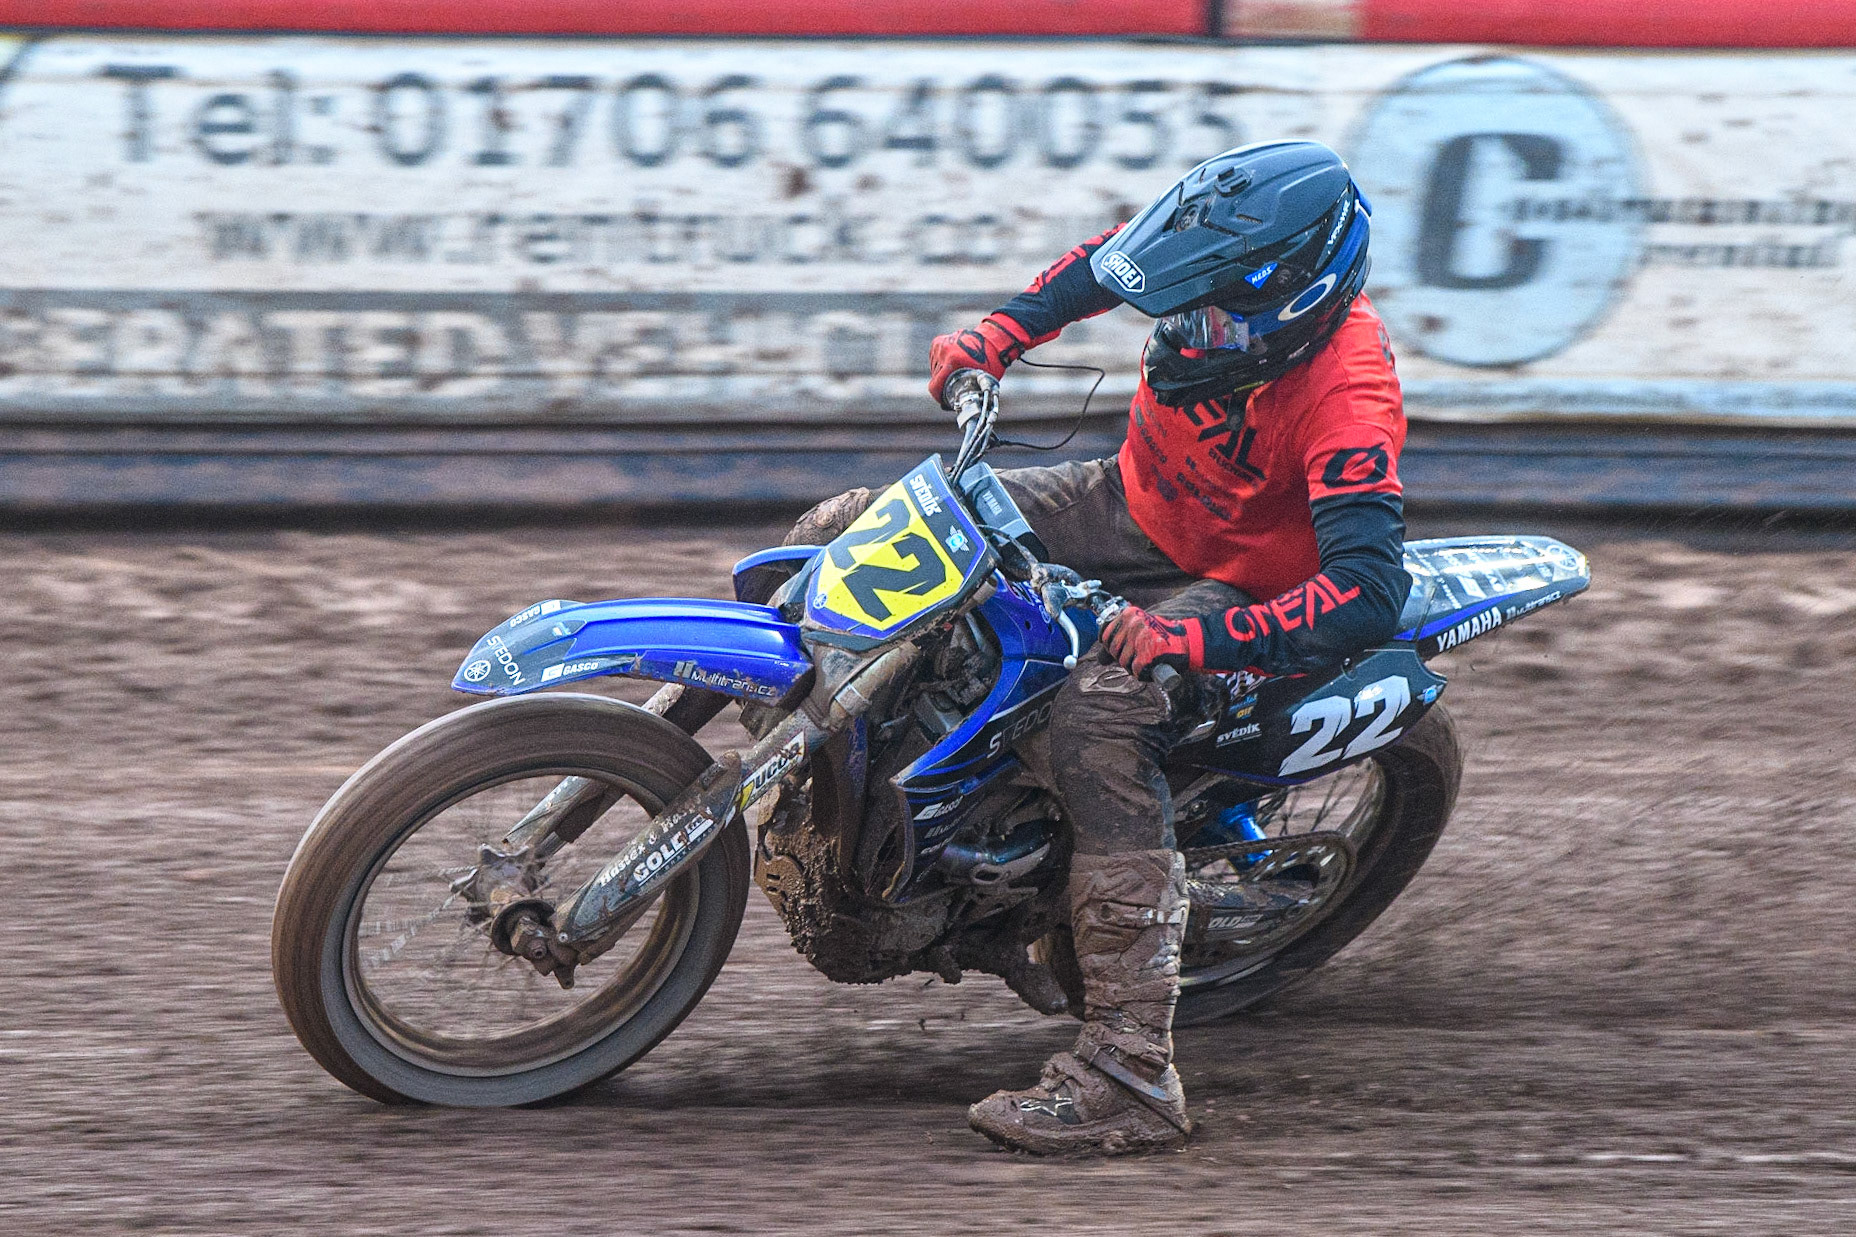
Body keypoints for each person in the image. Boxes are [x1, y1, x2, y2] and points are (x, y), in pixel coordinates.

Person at [786, 140, 1411, 1155]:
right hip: (1127, 500)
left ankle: (1130, 1071)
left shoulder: (1345, 400)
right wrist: (1002, 331)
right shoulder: (1207, 264)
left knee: (1091, 717)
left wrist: (1192, 633)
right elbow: (1102, 262)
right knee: (859, 524)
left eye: (1202, 312)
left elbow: (1367, 591)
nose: (1177, 330)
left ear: (1287, 305)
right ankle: (833, 757)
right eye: (1174, 303)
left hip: (1242, 584)